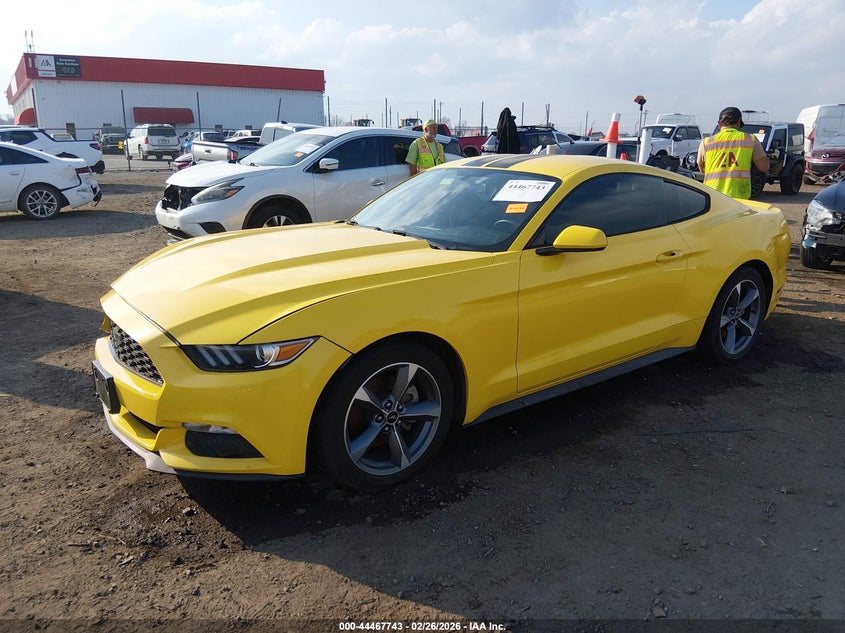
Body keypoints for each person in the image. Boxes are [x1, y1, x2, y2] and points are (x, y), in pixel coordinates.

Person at [697, 106, 770, 199]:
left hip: (713, 196)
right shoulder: (751, 140)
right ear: (739, 122)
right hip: (739, 196)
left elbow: (702, 169)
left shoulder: (706, 142)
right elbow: (764, 167)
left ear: (719, 125)